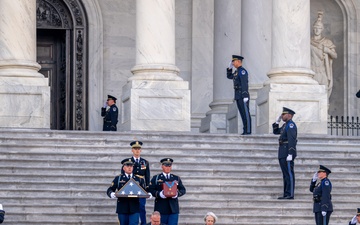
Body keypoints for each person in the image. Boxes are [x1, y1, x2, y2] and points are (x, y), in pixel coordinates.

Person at [107, 158, 145, 225]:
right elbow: (110, 189)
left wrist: (149, 193)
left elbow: (145, 190)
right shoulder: (118, 179)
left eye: (131, 166)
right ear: (124, 168)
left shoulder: (139, 179)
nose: (129, 168)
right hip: (122, 207)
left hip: (134, 207)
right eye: (127, 166)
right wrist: (112, 194)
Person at [148, 158, 186, 225]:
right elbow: (150, 189)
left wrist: (177, 194)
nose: (168, 167)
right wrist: (159, 194)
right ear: (162, 166)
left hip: (173, 208)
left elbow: (183, 189)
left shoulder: (176, 178)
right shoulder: (156, 178)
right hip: (161, 207)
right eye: (166, 165)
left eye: (169, 166)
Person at [311, 10, 337, 98]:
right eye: (315, 27)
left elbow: (335, 55)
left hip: (323, 72)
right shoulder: (308, 42)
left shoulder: (326, 42)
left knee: (324, 96)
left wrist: (328, 50)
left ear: (322, 29)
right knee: (312, 95)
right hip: (311, 71)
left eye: (319, 28)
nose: (316, 29)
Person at [273, 107, 297, 200]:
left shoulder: (291, 125)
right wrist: (277, 122)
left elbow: (292, 139)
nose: (282, 116)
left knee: (289, 173)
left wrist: (291, 153)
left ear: (289, 115)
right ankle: (286, 193)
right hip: (282, 151)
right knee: (285, 174)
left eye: (284, 114)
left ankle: (290, 194)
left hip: (287, 151)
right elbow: (276, 132)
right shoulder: (285, 125)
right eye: (282, 114)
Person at [124, 141, 150, 225]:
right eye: (135, 149)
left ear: (141, 150)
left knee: (142, 206)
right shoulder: (128, 162)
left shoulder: (145, 162)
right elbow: (123, 175)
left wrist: (148, 189)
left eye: (139, 149)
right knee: (131, 207)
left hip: (141, 187)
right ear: (132, 150)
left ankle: (143, 223)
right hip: (131, 186)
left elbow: (147, 176)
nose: (137, 151)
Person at [227, 55, 251, 135]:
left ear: (238, 61)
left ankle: (247, 130)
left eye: (234, 62)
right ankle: (245, 130)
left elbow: (244, 83)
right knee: (242, 113)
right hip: (238, 95)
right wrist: (229, 68)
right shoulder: (237, 72)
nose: (233, 63)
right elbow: (229, 76)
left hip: (242, 94)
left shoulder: (242, 71)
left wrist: (245, 95)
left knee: (246, 113)